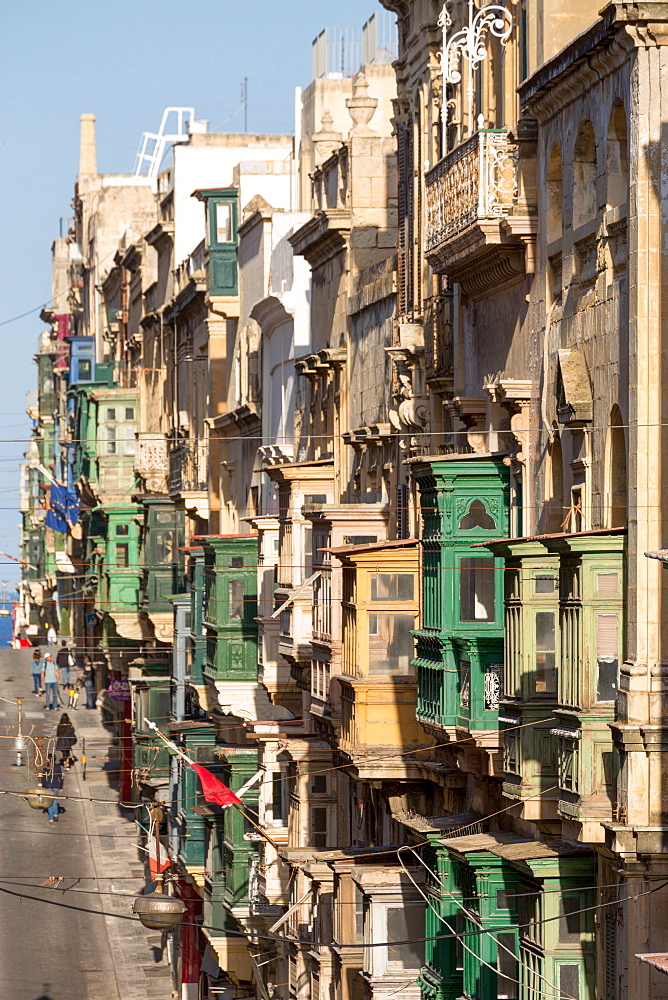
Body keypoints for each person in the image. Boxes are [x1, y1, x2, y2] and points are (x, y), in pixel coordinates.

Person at [42, 755, 64, 823]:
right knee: (54, 800)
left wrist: (43, 785)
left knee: (49, 801)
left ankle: (51, 817)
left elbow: (43, 777)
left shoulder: (46, 768)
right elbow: (61, 777)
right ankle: (55, 814)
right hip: (56, 786)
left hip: (48, 785)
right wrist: (61, 787)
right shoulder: (58, 767)